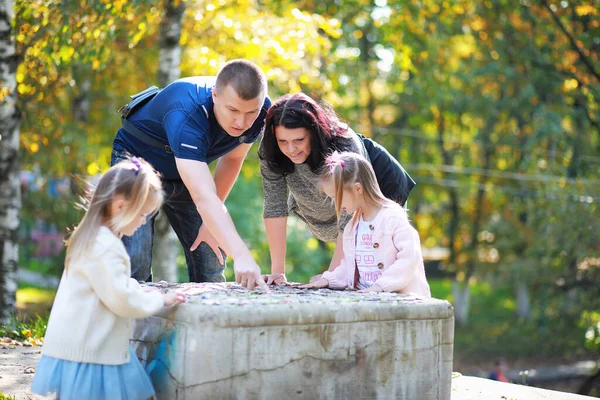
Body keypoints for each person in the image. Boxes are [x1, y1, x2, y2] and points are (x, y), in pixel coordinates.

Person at [31, 158, 187, 400]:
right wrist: (159, 299)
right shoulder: (105, 247)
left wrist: (137, 288)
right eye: (143, 214)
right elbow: (121, 299)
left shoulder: (93, 238)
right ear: (121, 207)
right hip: (94, 353)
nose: (143, 221)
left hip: (83, 346)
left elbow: (110, 286)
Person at [112, 59, 270, 290]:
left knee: (210, 257)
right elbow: (203, 197)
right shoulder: (187, 113)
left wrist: (211, 219)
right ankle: (138, 325)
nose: (241, 122)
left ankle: (211, 323)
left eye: (251, 113)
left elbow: (233, 159)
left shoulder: (263, 110)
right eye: (233, 110)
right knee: (136, 261)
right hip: (138, 165)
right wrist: (243, 255)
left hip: (191, 170)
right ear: (215, 95)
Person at [259, 92, 415, 284]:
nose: (291, 149)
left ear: (313, 132)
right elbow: (275, 206)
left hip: (379, 184)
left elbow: (350, 217)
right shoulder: (271, 149)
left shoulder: (343, 143)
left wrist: (330, 277)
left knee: (375, 262)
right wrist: (277, 272)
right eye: (283, 141)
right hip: (333, 200)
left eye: (298, 140)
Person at [299, 152, 430, 296]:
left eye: (337, 197)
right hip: (369, 299)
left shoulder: (392, 217)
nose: (335, 204)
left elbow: (410, 257)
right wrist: (328, 279)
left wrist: (380, 286)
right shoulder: (353, 225)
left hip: (401, 302)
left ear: (358, 189)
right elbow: (349, 266)